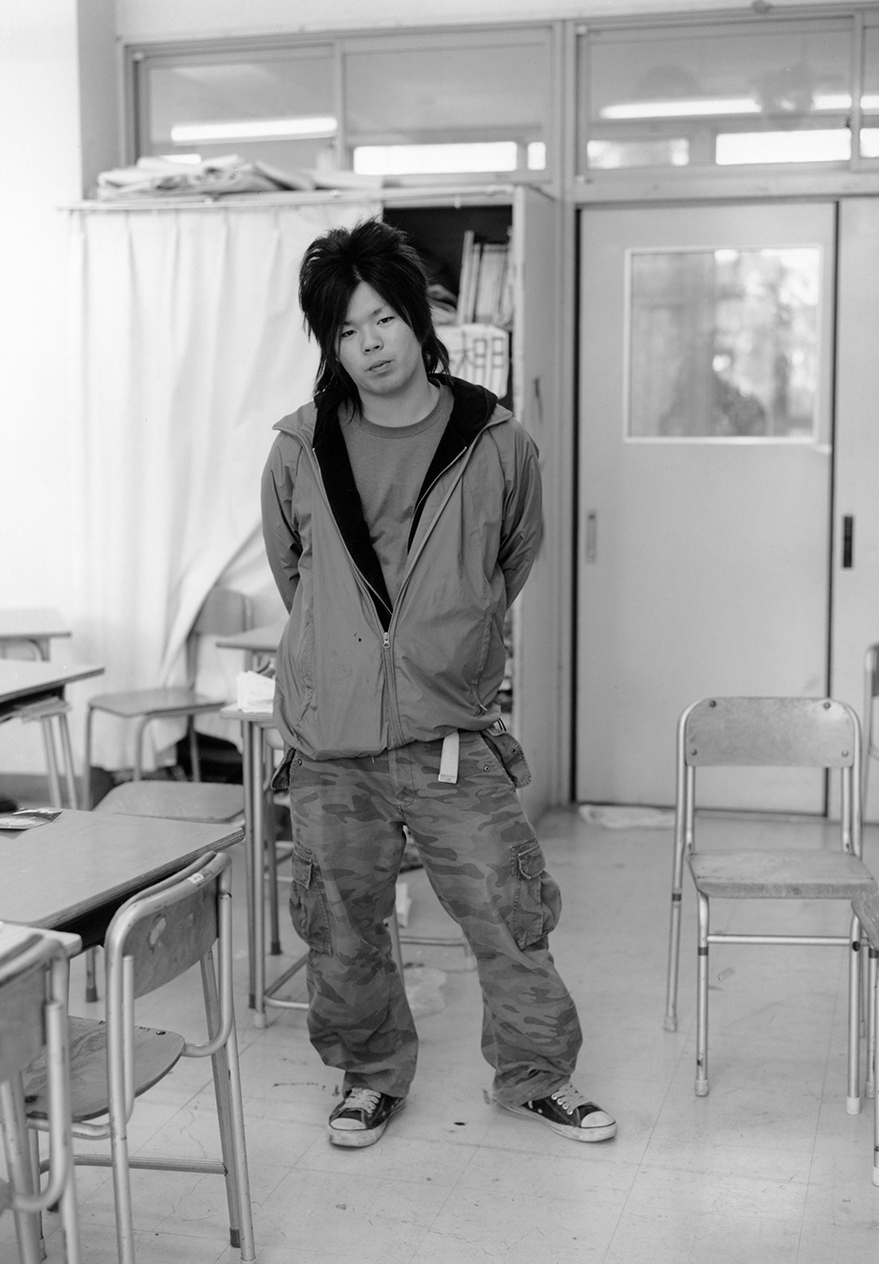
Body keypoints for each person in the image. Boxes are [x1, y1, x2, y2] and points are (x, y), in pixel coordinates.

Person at [261, 217, 615, 1150]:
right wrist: (350, 653)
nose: (370, 344)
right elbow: (296, 575)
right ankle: (369, 1076)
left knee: (507, 905)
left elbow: (510, 561)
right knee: (342, 924)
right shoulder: (300, 446)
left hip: (451, 728)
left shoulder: (496, 441)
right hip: (333, 740)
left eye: (382, 319)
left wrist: (441, 636)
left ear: (418, 319)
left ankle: (536, 1076)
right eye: (346, 330)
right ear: (330, 344)